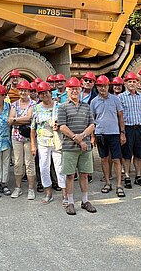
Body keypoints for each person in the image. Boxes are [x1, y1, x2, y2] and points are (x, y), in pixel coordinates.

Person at [58, 77, 97, 215]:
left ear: (80, 90)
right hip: (70, 147)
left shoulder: (86, 106)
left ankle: (85, 201)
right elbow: (62, 126)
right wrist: (78, 139)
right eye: (71, 89)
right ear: (67, 91)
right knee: (70, 175)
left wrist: (83, 135)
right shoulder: (63, 107)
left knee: (84, 174)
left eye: (76, 89)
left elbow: (92, 124)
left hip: (85, 147)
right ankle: (70, 202)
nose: (74, 91)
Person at [30, 82, 67, 205]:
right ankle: (48, 193)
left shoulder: (59, 106)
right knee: (44, 167)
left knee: (60, 167)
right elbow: (33, 128)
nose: (44, 95)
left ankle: (65, 194)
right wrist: (33, 145)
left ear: (50, 93)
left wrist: (59, 126)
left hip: (56, 141)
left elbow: (65, 123)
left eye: (46, 92)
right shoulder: (36, 108)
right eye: (41, 93)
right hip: (42, 142)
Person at [90, 75, 125, 198]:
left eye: (104, 86)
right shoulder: (94, 102)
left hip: (114, 133)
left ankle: (119, 185)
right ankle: (107, 183)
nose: (102, 88)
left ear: (108, 86)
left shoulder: (115, 99)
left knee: (116, 159)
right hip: (100, 133)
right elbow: (92, 120)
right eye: (100, 86)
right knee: (104, 159)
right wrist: (92, 136)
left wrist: (122, 133)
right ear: (97, 87)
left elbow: (120, 116)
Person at [119, 72, 141, 189]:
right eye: (129, 81)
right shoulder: (121, 97)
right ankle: (127, 176)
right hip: (128, 128)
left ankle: (138, 176)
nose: (132, 84)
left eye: (134, 81)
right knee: (127, 154)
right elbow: (119, 116)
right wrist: (122, 132)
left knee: (139, 153)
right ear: (125, 83)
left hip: (139, 127)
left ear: (137, 83)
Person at [8, 80, 37, 200]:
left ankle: (31, 188)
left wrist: (16, 120)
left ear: (29, 91)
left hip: (29, 136)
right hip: (16, 136)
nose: (23, 92)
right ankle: (18, 187)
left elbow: (30, 118)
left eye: (25, 90)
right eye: (21, 90)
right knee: (18, 162)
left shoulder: (33, 104)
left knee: (29, 162)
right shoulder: (14, 104)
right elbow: (9, 120)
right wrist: (19, 120)